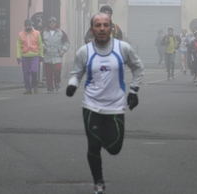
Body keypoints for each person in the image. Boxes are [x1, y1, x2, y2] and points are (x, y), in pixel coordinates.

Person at [66, 13, 144, 194]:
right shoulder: (84, 51)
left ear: (111, 28)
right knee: (93, 145)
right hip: (91, 105)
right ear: (92, 29)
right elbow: (76, 73)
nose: (102, 29)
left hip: (115, 107)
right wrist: (72, 85)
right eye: (98, 25)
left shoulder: (122, 48)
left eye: (105, 25)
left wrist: (134, 91)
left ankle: (100, 137)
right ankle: (98, 182)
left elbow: (138, 67)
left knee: (114, 148)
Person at [41, 17, 70, 93]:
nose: (52, 24)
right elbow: (39, 41)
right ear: (48, 23)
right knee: (48, 73)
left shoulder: (61, 32)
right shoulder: (44, 32)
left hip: (57, 55)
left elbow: (66, 42)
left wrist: (63, 50)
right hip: (48, 55)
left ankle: (57, 83)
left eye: (54, 22)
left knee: (57, 69)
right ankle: (50, 87)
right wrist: (43, 47)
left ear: (56, 23)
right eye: (50, 22)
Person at [16, 19, 44, 94]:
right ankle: (28, 89)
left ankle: (34, 85)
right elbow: (18, 46)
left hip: (34, 56)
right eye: (26, 25)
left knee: (34, 71)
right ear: (24, 26)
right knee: (26, 74)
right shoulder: (21, 34)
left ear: (32, 25)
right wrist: (18, 56)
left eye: (29, 25)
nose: (28, 27)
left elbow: (40, 45)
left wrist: (41, 55)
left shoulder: (37, 33)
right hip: (25, 57)